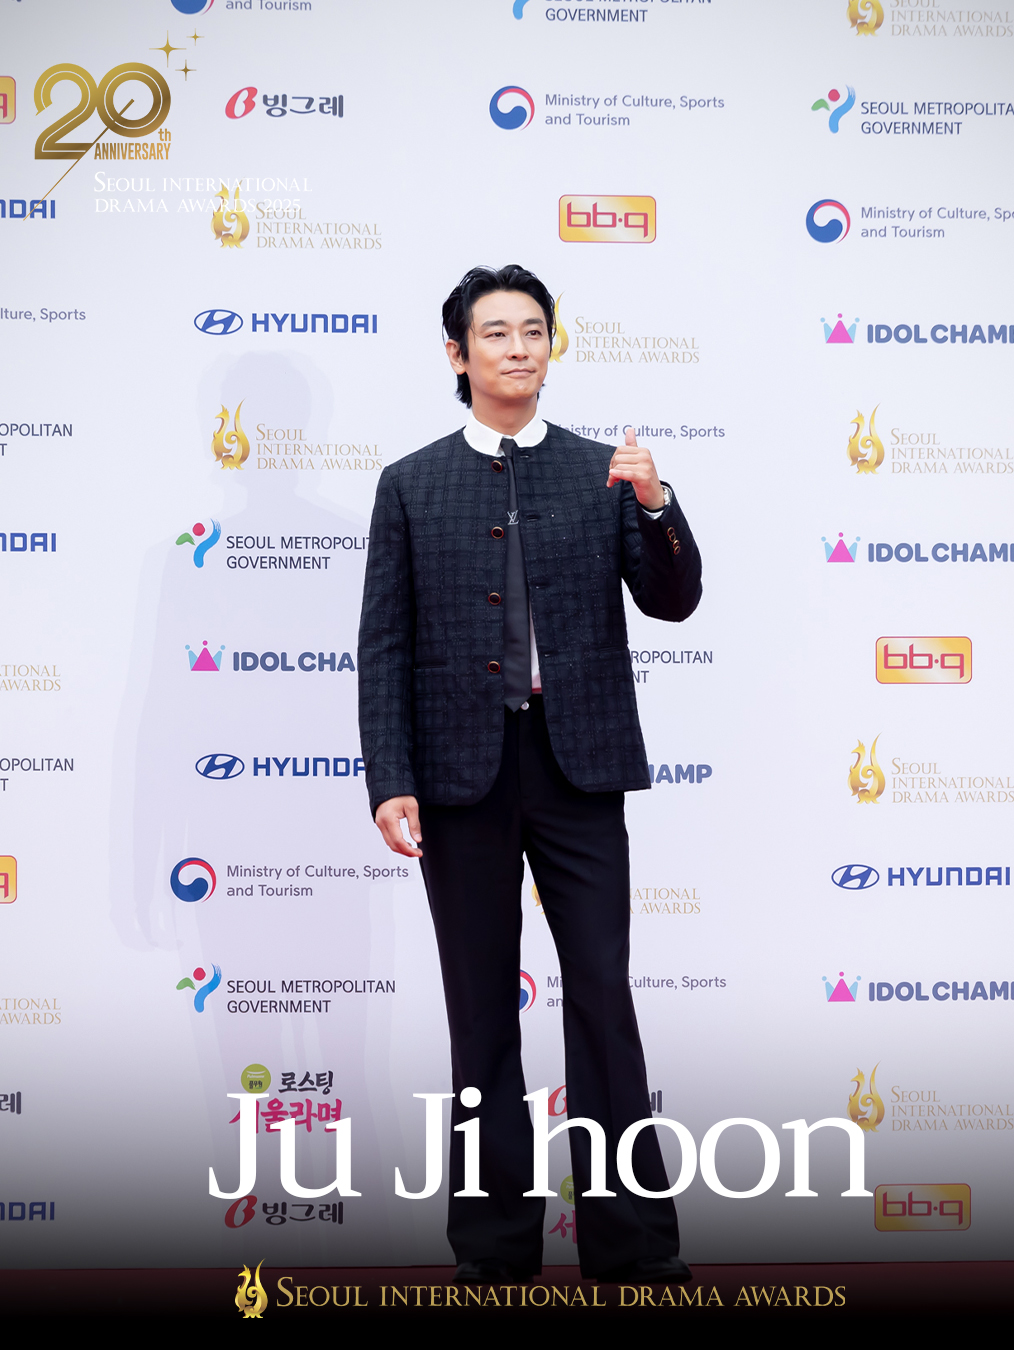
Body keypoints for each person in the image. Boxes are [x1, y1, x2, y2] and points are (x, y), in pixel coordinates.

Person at [357, 265, 702, 1283]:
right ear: (458, 354)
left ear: (553, 346)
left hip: (577, 766)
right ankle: (495, 1248)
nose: (518, 347)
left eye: (534, 331)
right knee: (479, 1012)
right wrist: (390, 777)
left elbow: (674, 599)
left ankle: (633, 1246)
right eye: (496, 333)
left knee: (601, 995)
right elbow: (384, 645)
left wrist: (657, 501)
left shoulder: (604, 470)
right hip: (458, 776)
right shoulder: (411, 483)